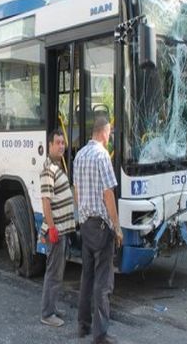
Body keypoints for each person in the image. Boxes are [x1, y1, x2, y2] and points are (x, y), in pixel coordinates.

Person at [73, 116, 123, 344]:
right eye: (109, 132)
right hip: (102, 227)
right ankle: (100, 334)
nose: (110, 136)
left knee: (87, 276)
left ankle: (82, 325)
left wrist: (80, 217)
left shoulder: (80, 155)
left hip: (86, 225)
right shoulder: (102, 156)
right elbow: (108, 194)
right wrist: (117, 225)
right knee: (104, 282)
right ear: (104, 132)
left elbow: (76, 191)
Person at [39, 128, 75, 328]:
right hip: (56, 230)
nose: (61, 146)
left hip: (61, 229)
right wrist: (51, 228)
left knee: (57, 272)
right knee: (53, 273)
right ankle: (47, 313)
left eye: (63, 143)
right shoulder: (48, 170)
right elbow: (46, 201)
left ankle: (52, 308)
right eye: (57, 143)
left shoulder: (57, 166)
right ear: (50, 145)